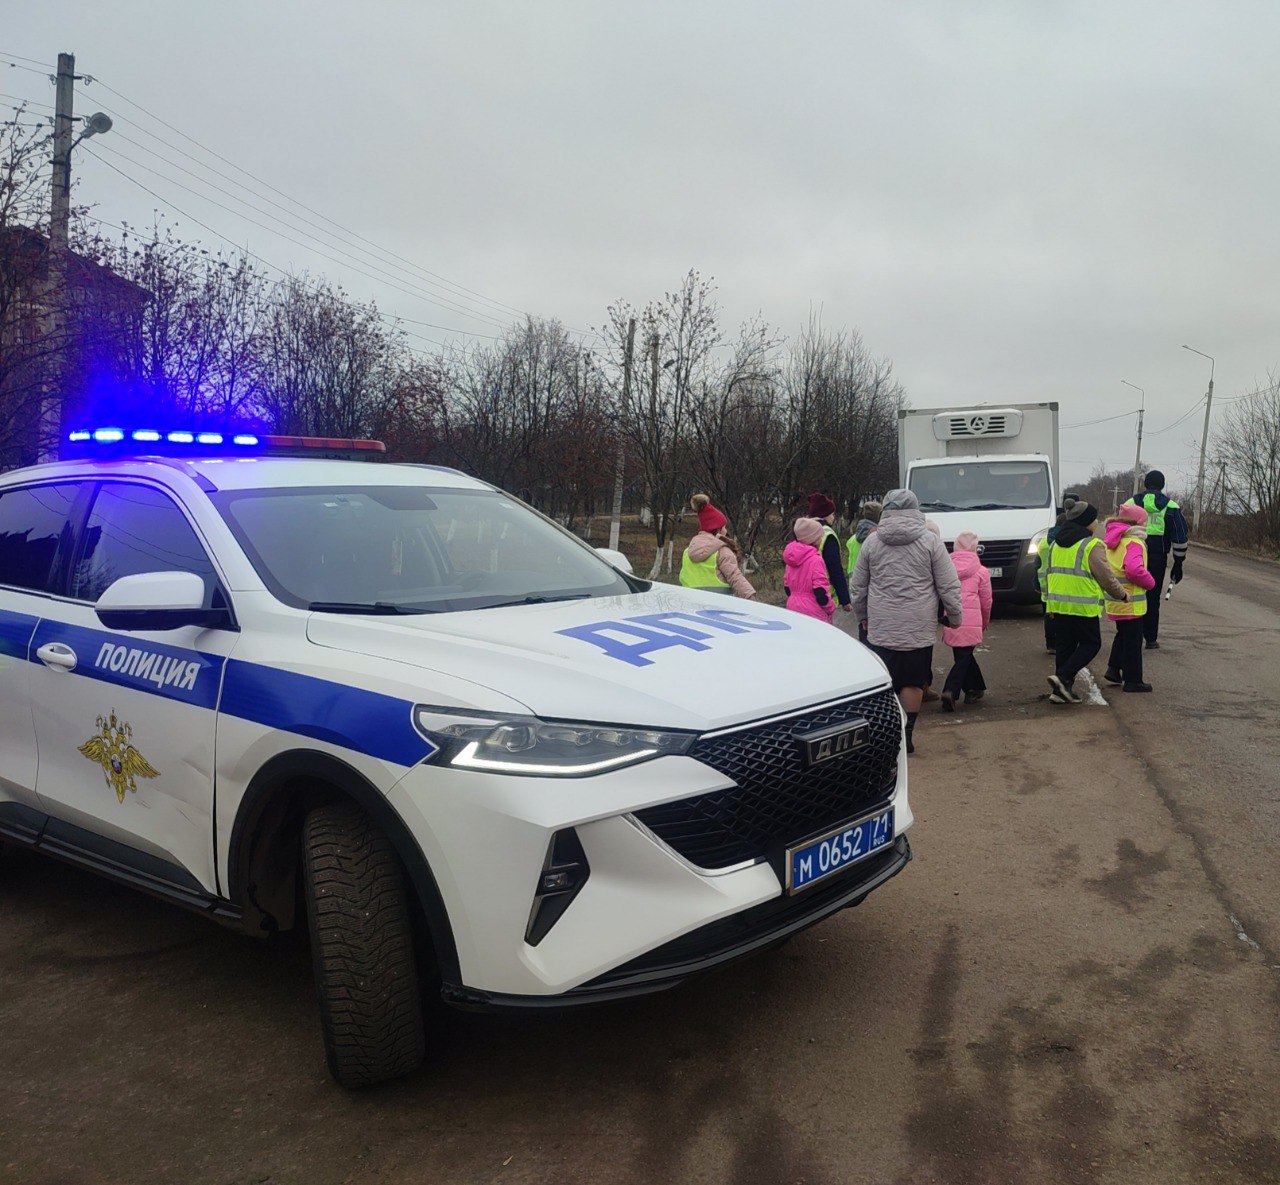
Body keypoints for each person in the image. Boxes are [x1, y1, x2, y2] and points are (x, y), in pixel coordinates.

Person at [851, 488, 962, 754]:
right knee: (913, 682)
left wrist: (862, 616)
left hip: (881, 625)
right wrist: (955, 617)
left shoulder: (872, 543)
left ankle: (888, 733)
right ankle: (907, 733)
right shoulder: (930, 542)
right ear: (916, 510)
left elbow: (858, 587)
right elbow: (948, 584)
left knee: (886, 681)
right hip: (918, 625)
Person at [1044, 501, 1129, 704]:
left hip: (1059, 604)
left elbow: (1049, 573)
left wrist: (1049, 602)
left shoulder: (1056, 544)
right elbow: (1106, 577)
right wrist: (1122, 594)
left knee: (1065, 645)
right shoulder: (1091, 545)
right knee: (1092, 644)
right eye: (1094, 519)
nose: (1096, 523)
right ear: (1086, 522)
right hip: (1082, 606)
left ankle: (1060, 691)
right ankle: (1064, 677)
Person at [1125, 470, 1188, 649]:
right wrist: (1178, 563)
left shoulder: (1131, 503)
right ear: (1162, 485)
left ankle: (1130, 635)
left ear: (1145, 484)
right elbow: (1180, 537)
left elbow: (1118, 527)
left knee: (1131, 593)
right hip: (1157, 558)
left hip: (1131, 555)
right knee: (1152, 597)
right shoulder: (1171, 506)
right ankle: (1150, 638)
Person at [1102, 503, 1156, 692]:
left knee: (1123, 635)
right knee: (1133, 640)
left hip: (1116, 599)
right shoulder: (1134, 542)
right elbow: (1134, 570)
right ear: (1137, 523)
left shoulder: (1114, 540)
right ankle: (1133, 680)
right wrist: (1150, 582)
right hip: (1130, 600)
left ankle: (1114, 669)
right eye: (1144, 521)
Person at [940, 530, 993, 711]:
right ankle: (950, 690)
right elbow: (986, 601)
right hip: (971, 620)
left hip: (951, 618)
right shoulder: (982, 572)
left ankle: (975, 688)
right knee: (964, 657)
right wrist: (985, 621)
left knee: (963, 655)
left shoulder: (945, 569)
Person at [679, 494, 757, 599]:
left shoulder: (687, 552)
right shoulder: (722, 552)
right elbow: (734, 576)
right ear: (717, 530)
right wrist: (751, 596)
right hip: (718, 606)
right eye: (723, 527)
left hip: (690, 604)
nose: (725, 530)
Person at [1038, 492, 1080, 654]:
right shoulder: (1065, 542)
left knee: (1048, 615)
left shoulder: (1043, 542)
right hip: (1061, 584)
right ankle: (1064, 642)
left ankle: (1051, 643)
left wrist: (1036, 584)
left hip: (1044, 585)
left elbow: (1037, 564)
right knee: (1062, 616)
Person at [806, 492, 852, 614]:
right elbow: (835, 569)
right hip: (821, 595)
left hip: (799, 597)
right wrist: (845, 599)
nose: (833, 517)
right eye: (832, 513)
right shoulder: (827, 534)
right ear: (824, 514)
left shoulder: (801, 532)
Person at [783, 518, 835, 623]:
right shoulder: (816, 560)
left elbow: (787, 587)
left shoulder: (791, 559)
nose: (821, 539)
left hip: (793, 606)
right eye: (820, 537)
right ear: (813, 539)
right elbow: (820, 591)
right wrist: (830, 608)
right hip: (814, 611)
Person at [847, 501, 882, 644]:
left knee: (862, 625)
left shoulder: (853, 539)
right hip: (872, 584)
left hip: (855, 583)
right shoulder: (877, 538)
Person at [846, 501, 882, 577]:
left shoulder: (852, 539)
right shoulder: (878, 538)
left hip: (853, 583)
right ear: (879, 517)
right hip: (870, 583)